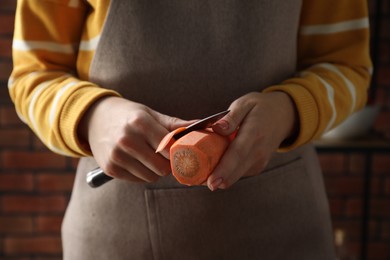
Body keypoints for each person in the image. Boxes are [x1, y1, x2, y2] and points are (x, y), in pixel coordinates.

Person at [9, 0, 371, 259]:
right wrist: (91, 115)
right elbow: (33, 74)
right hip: (116, 233)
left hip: (283, 228)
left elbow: (347, 66)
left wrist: (288, 110)